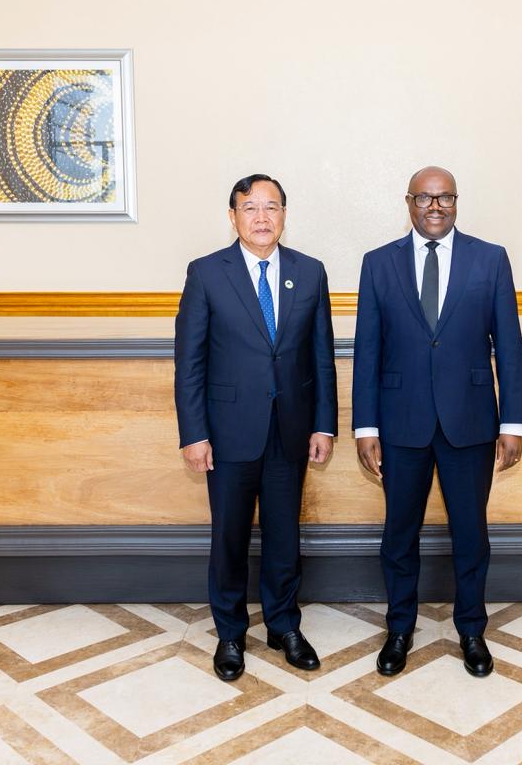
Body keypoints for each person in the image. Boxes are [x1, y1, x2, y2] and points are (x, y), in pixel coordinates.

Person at [352, 166, 522, 678]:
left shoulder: (490, 259)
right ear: (409, 202)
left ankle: (471, 630)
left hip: (470, 423)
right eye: (425, 198)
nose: (435, 206)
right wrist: (366, 427)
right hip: (399, 423)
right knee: (398, 535)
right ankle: (399, 629)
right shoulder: (378, 263)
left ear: (456, 202)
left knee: (471, 535)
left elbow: (509, 346)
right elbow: (368, 350)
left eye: (445, 197)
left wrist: (513, 422)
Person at [175, 174, 337, 681]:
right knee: (229, 537)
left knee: (285, 536)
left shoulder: (310, 272)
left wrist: (324, 425)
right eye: (250, 208)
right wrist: (194, 433)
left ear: (285, 214)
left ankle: (284, 625)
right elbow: (190, 363)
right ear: (233, 217)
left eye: (271, 207)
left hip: (291, 429)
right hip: (227, 433)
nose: (262, 217)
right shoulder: (206, 273)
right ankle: (230, 633)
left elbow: (322, 357)